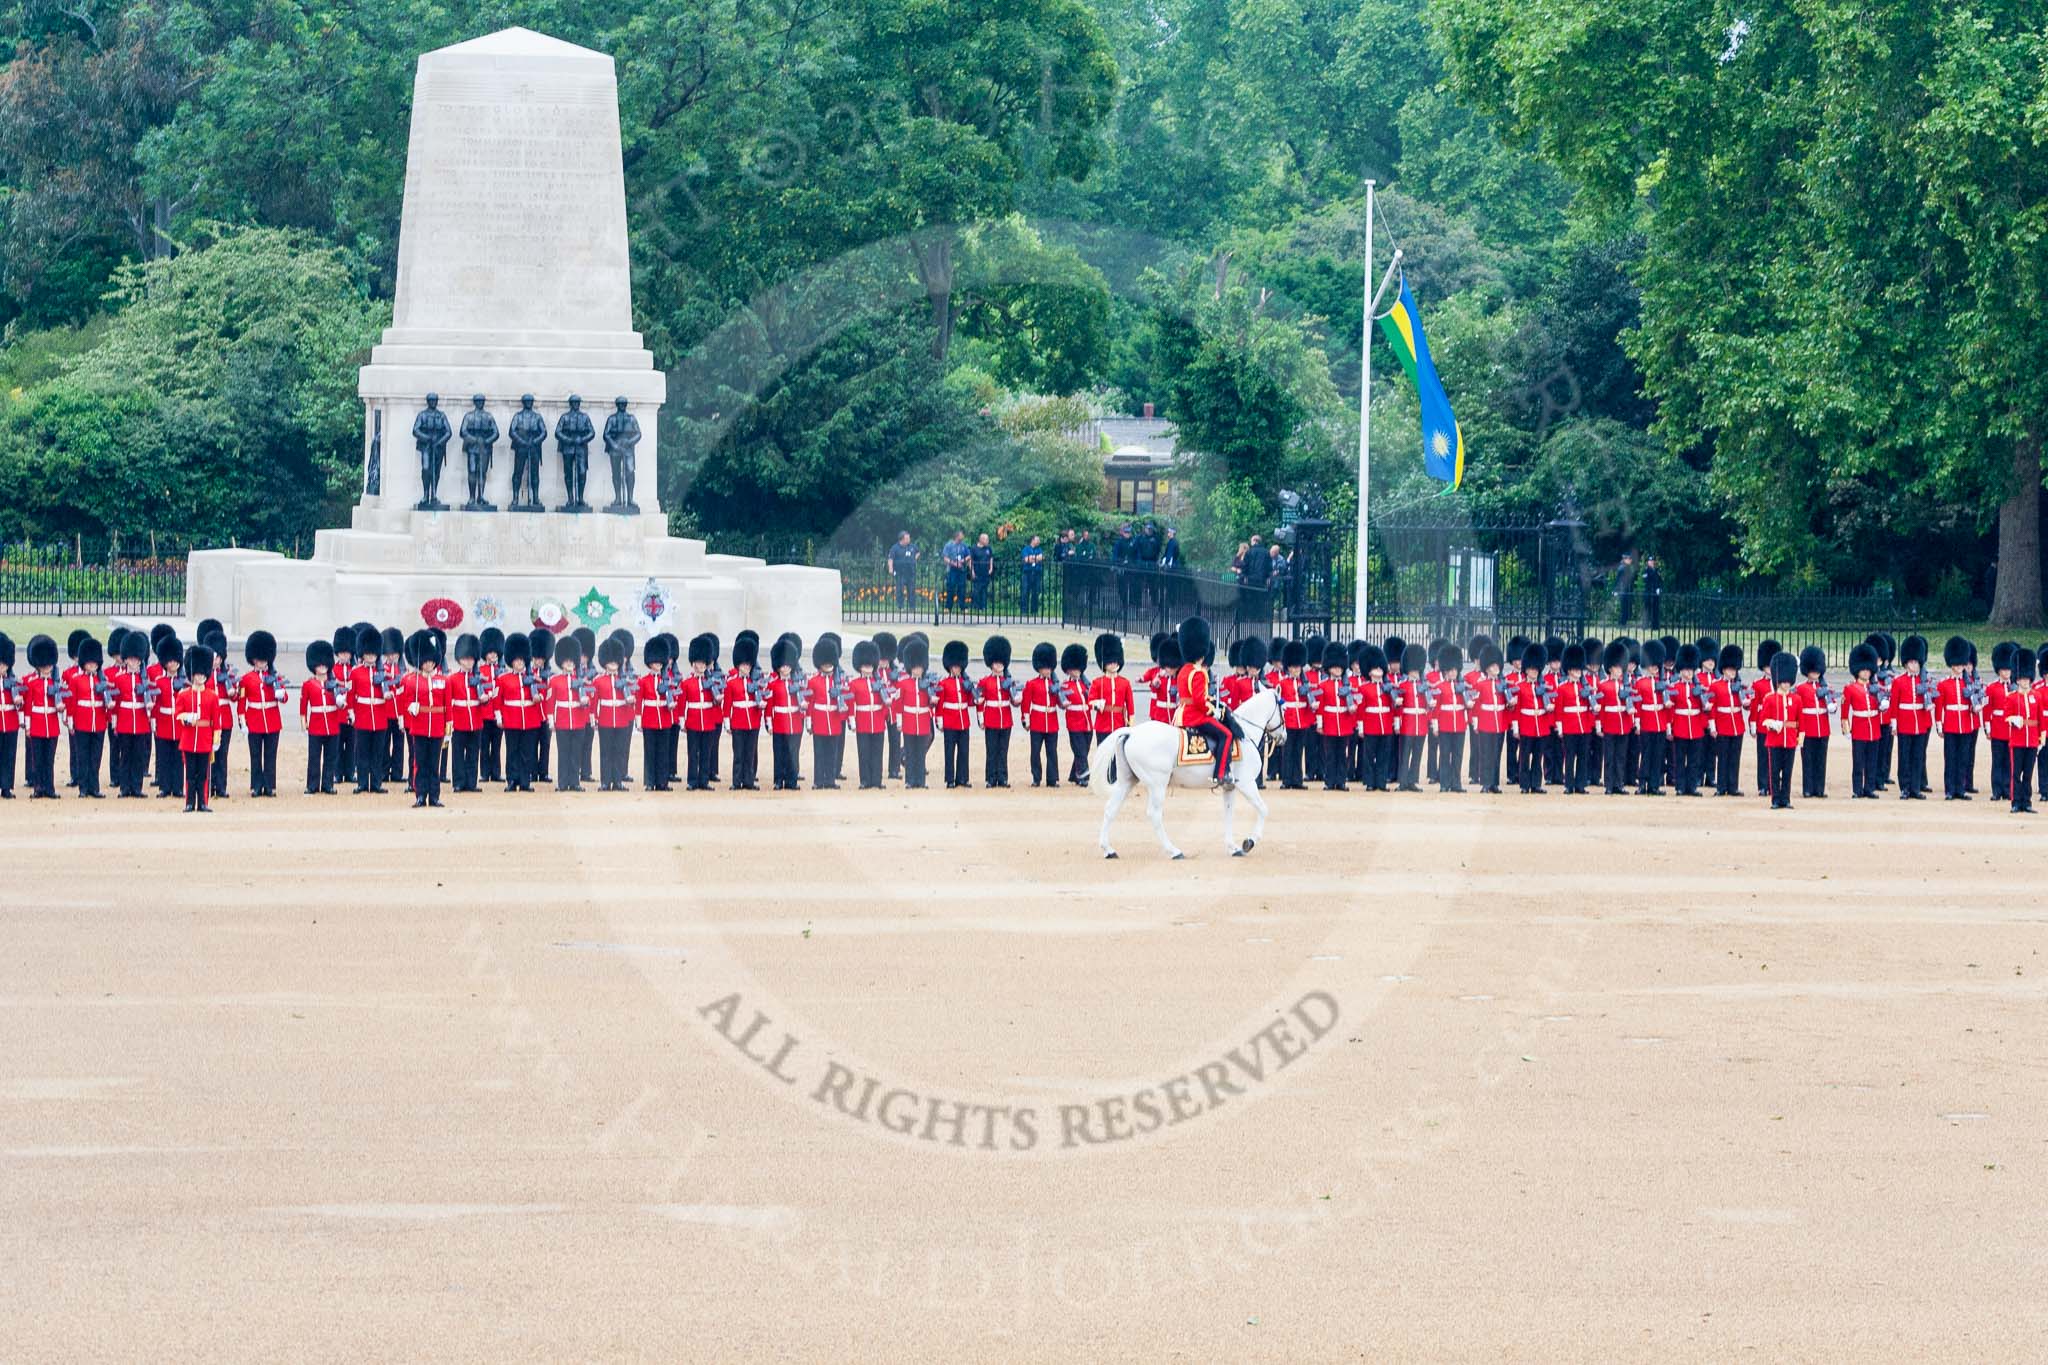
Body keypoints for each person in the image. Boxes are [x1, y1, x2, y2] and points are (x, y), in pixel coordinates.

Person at [1171, 617, 1234, 788]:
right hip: (1195, 716)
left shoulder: (1184, 670)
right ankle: (1221, 774)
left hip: (1181, 714)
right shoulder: (1199, 672)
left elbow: (1191, 695)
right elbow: (1199, 701)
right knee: (1226, 735)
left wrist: (1212, 701)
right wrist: (1214, 710)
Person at [399, 631, 451, 808]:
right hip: (419, 726)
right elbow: (404, 701)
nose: (428, 664)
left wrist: (448, 730)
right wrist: (410, 707)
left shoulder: (443, 681)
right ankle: (420, 795)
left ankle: (434, 796)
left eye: (431, 661)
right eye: (425, 661)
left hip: (437, 727)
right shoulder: (410, 681)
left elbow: (448, 707)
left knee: (434, 764)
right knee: (420, 763)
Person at [174, 642, 223, 813]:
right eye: (197, 675)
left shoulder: (212, 696)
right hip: (189, 739)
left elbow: (216, 721)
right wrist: (188, 717)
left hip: (205, 739)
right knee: (190, 774)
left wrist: (216, 740)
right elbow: (178, 714)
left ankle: (202, 802)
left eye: (203, 675)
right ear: (192, 675)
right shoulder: (184, 694)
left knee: (203, 775)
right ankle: (189, 803)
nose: (200, 677)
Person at [236, 631, 286, 797]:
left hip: (272, 719)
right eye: (258, 659)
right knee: (255, 755)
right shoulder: (246, 679)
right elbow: (242, 702)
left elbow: (284, 697)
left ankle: (270, 785)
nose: (261, 663)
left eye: (264, 659)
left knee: (270, 755)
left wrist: (280, 693)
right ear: (253, 660)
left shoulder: (275, 677)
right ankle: (256, 785)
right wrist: (242, 722)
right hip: (254, 720)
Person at [1934, 635, 1981, 801]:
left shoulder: (1969, 684)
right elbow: (1939, 707)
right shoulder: (1943, 684)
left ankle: (1960, 789)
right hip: (1951, 725)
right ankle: (1950, 789)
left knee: (1963, 758)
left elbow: (1975, 703)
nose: (1960, 666)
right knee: (1951, 758)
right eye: (1957, 663)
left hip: (1966, 724)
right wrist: (1939, 725)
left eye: (1962, 663)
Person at [21, 636, 64, 799]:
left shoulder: (56, 683)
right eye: (44, 665)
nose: (48, 668)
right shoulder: (32, 683)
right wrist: (28, 726)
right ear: (38, 666)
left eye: (49, 665)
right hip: (37, 724)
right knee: (37, 759)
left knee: (49, 759)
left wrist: (62, 707)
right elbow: (28, 707)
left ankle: (49, 788)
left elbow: (64, 700)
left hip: (51, 723)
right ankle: (38, 787)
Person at [2000, 648, 2042, 813]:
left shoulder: (2036, 696)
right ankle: (2016, 802)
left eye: (2027, 679)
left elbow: (2041, 720)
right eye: (2022, 679)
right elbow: (2005, 715)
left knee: (2029, 773)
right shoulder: (2011, 697)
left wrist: (2041, 738)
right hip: (2017, 740)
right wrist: (2013, 719)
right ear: (2017, 679)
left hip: (2031, 740)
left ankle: (2027, 801)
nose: (2025, 682)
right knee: (2016, 774)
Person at [1759, 650, 1802, 809]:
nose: (1786, 684)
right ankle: (1775, 799)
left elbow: (1800, 723)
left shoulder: (1796, 699)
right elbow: (1763, 719)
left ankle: (1786, 798)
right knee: (1774, 772)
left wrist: (1800, 742)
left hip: (1790, 740)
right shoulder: (1770, 699)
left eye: (1788, 681)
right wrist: (1773, 723)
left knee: (1788, 773)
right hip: (1775, 740)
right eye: (1783, 681)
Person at [804, 637, 847, 790]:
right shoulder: (813, 681)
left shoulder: (839, 681)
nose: (828, 665)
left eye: (830, 662)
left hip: (834, 719)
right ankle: (818, 780)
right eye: (825, 662)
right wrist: (809, 721)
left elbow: (844, 701)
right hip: (820, 719)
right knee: (820, 752)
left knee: (832, 752)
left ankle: (830, 779)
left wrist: (844, 716)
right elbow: (809, 702)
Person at [1841, 643, 1883, 798]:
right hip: (1859, 727)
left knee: (1872, 761)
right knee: (1858, 761)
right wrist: (1846, 730)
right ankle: (1857, 789)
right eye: (1863, 669)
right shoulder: (1850, 688)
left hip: (1874, 727)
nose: (1866, 672)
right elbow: (1845, 712)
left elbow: (1881, 706)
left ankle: (1869, 788)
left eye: (1868, 669)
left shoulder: (1876, 688)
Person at [1087, 633, 1133, 770]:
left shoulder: (1125, 683)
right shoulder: (1097, 682)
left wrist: (1130, 724)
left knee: (1119, 753)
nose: (1113, 664)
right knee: (1104, 752)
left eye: (1115, 661)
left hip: (1119, 723)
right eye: (1110, 662)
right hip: (1103, 724)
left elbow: (1130, 706)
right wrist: (1097, 704)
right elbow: (1090, 702)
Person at [977, 635, 1018, 787]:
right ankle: (990, 778)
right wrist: (981, 719)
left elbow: (1015, 701)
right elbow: (980, 701)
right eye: (996, 662)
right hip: (991, 719)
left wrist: (1015, 695)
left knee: (1003, 750)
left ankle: (1003, 777)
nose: (999, 665)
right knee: (992, 750)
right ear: (990, 663)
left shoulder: (1009, 681)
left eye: (1001, 662)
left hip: (1006, 719)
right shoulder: (984, 681)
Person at [894, 637, 935, 789]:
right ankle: (910, 781)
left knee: (920, 753)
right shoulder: (903, 683)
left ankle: (921, 781)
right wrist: (899, 721)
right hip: (910, 721)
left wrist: (933, 701)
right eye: (915, 667)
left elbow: (931, 704)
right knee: (910, 753)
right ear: (910, 667)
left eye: (920, 667)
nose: (918, 670)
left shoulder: (928, 684)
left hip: (923, 721)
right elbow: (898, 704)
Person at [724, 636, 764, 791]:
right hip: (738, 722)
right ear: (738, 665)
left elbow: (760, 700)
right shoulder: (731, 682)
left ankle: (749, 780)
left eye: (748, 664)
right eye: (744, 664)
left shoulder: (755, 682)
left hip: (752, 721)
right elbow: (727, 705)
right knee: (739, 754)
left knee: (749, 753)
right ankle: (736, 780)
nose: (746, 667)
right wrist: (727, 723)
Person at [1273, 641, 1314, 790]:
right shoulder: (1282, 683)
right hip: (1289, 720)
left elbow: (1308, 701)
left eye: (1298, 667)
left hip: (1301, 720)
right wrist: (1285, 705)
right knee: (1288, 751)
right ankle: (1286, 779)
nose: (1296, 669)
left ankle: (1297, 779)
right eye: (1293, 667)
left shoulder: (1304, 684)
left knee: (1298, 751)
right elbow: (1279, 699)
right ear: (1288, 667)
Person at [765, 638, 804, 791]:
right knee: (779, 753)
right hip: (780, 722)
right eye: (783, 665)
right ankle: (778, 780)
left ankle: (791, 780)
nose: (786, 668)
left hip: (794, 721)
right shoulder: (773, 684)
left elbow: (803, 703)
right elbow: (769, 706)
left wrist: (803, 710)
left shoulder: (797, 684)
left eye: (788, 665)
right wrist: (769, 723)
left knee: (793, 753)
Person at [1022, 642, 1062, 787]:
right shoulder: (1032, 684)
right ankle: (1036, 778)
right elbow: (1026, 703)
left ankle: (1052, 779)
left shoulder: (1055, 684)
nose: (1047, 671)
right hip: (1037, 721)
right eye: (1044, 668)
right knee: (1035, 752)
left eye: (1049, 668)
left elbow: (1060, 703)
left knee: (1052, 752)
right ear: (1039, 668)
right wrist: (1025, 720)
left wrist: (1061, 696)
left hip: (1051, 721)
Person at [935, 640, 975, 788]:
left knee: (964, 751)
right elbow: (940, 703)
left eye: (959, 666)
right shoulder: (944, 683)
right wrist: (939, 720)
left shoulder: (965, 682)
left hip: (963, 720)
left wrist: (973, 692)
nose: (957, 669)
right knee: (950, 751)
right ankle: (950, 779)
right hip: (950, 721)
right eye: (954, 666)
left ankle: (962, 778)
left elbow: (970, 702)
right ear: (950, 667)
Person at [1708, 645, 1746, 797]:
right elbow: (1712, 708)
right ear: (1723, 669)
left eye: (1734, 670)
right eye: (1729, 670)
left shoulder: (1739, 686)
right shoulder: (1715, 685)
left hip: (1737, 724)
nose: (1732, 672)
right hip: (1722, 725)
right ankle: (1721, 786)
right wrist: (1712, 727)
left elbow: (1745, 703)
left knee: (1734, 758)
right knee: (1722, 757)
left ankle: (1733, 786)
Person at [1315, 642, 1353, 792]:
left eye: (1340, 667)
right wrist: (1319, 724)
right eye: (1334, 667)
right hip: (1330, 723)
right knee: (1330, 754)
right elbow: (1321, 707)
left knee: (1342, 754)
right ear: (1329, 667)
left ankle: (1341, 781)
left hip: (1343, 722)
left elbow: (1352, 705)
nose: (1337, 669)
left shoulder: (1347, 686)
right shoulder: (1323, 685)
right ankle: (1329, 781)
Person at [1059, 643, 1092, 785]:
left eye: (1078, 668)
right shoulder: (1065, 686)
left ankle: (1075, 774)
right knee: (1080, 750)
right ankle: (1083, 775)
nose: (1076, 672)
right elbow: (1062, 702)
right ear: (1068, 670)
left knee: (1085, 748)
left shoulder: (1087, 684)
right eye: (1073, 669)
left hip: (1087, 722)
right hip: (1074, 723)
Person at [888, 532, 920, 612]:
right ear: (902, 539)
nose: (909, 540)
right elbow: (890, 559)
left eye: (909, 538)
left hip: (911, 572)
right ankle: (900, 607)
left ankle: (912, 607)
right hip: (900, 573)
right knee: (900, 590)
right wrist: (890, 568)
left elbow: (918, 552)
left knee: (911, 590)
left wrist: (914, 559)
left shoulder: (912, 546)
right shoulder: (895, 548)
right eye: (907, 538)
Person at [942, 532, 970, 610]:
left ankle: (963, 607)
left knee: (962, 588)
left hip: (961, 570)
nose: (963, 536)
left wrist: (962, 561)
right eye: (962, 535)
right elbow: (945, 557)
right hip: (952, 570)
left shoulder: (964, 545)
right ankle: (948, 607)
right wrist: (953, 563)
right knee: (950, 588)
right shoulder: (949, 545)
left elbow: (969, 556)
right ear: (957, 536)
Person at [1019, 537, 1046, 616]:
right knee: (1025, 592)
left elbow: (1042, 558)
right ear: (1033, 540)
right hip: (1027, 573)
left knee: (1036, 592)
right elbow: (1027, 559)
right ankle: (1024, 611)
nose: (1039, 541)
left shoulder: (1039, 549)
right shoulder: (1026, 549)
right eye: (1037, 540)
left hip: (1037, 572)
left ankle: (1034, 611)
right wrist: (1036, 558)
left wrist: (1032, 558)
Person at [970, 533, 996, 611]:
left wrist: (991, 568)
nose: (988, 541)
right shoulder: (974, 548)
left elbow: (991, 558)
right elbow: (970, 560)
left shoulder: (988, 548)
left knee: (984, 590)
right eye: (986, 539)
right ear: (981, 539)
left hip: (986, 572)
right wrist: (972, 571)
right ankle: (976, 606)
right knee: (977, 590)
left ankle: (983, 606)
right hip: (977, 572)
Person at [1614, 553, 1636, 625]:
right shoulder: (1622, 568)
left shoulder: (1628, 567)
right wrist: (1615, 590)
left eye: (1630, 559)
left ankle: (1623, 622)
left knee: (1626, 607)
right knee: (1624, 607)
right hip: (1623, 590)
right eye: (1629, 559)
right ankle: (1622, 623)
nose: (1630, 560)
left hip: (1627, 590)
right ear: (1625, 560)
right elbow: (1618, 580)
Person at [1642, 555, 1663, 630]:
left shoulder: (1657, 570)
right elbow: (1646, 581)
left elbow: (1660, 581)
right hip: (1648, 593)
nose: (1651, 562)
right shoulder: (1646, 570)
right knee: (1647, 609)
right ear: (1647, 562)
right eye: (1650, 561)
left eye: (1652, 561)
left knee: (1655, 610)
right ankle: (1645, 626)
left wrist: (1659, 588)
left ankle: (1655, 626)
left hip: (1656, 593)